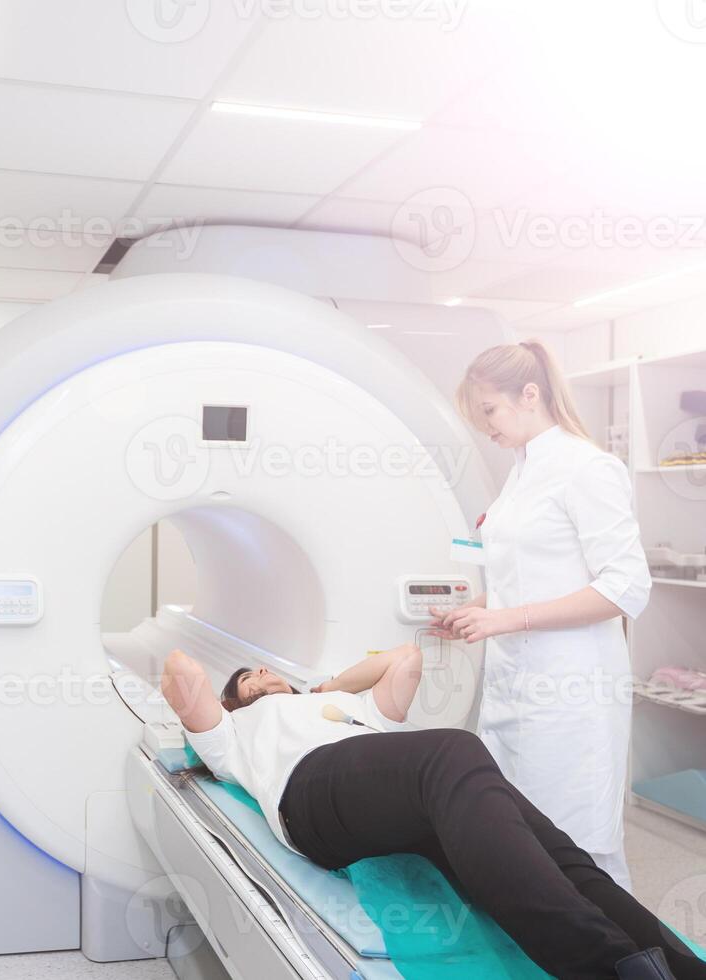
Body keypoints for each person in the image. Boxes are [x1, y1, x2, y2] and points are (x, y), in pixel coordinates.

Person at [161, 647, 697, 980]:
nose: (260, 673)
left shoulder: (347, 706)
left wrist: (324, 689)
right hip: (308, 794)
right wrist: (237, 701)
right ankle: (604, 966)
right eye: (246, 679)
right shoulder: (233, 735)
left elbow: (404, 658)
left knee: (563, 856)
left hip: (396, 786)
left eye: (263, 669)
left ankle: (684, 970)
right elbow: (182, 674)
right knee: (452, 749)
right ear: (235, 700)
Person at [436, 340, 650, 890]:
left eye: (489, 410)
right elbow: (525, 579)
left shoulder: (587, 469)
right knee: (518, 837)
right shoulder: (521, 472)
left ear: (530, 394)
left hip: (572, 690)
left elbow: (625, 588)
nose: (487, 426)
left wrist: (504, 620)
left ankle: (623, 962)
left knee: (579, 843)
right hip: (515, 686)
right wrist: (475, 611)